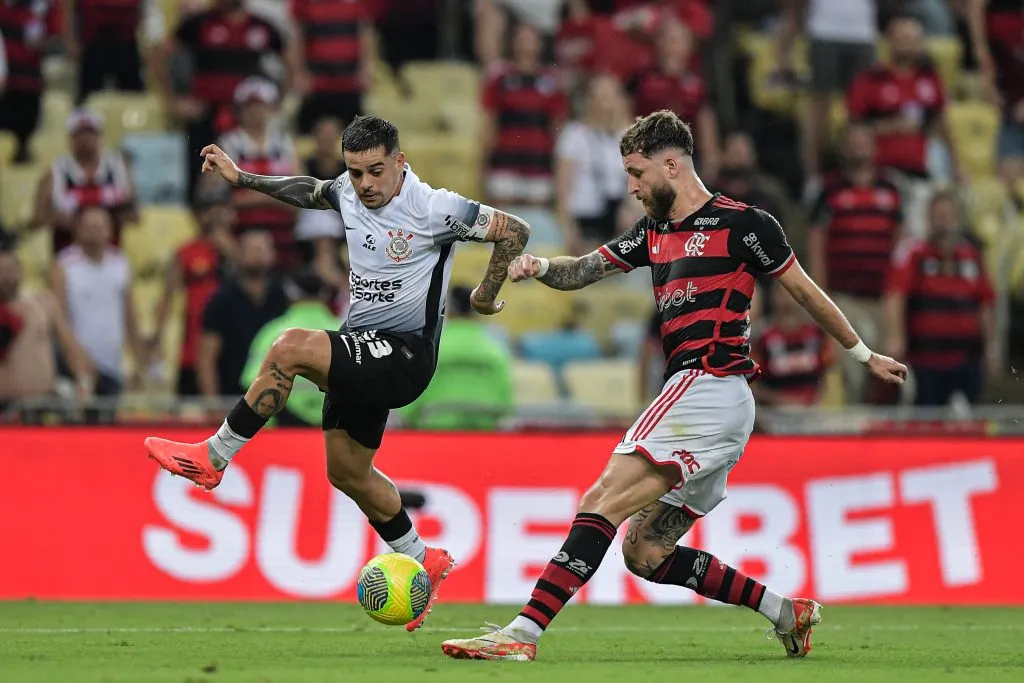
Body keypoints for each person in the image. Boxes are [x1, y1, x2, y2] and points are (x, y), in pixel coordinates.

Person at [439, 110, 907, 662]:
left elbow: (803, 291)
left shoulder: (745, 225)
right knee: (646, 552)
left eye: (637, 174)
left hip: (708, 385)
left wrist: (862, 353)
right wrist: (537, 264)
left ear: (671, 165)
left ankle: (521, 636)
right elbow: (585, 270)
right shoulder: (654, 231)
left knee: (601, 499)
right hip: (716, 405)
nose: (631, 187)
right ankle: (787, 612)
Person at [143, 115, 531, 631]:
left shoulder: (435, 207)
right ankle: (422, 558)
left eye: (375, 171)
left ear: (400, 163)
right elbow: (311, 190)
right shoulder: (348, 191)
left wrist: (483, 294)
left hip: (407, 355)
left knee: (290, 347)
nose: (365, 184)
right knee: (347, 472)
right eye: (355, 172)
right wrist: (244, 180)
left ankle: (213, 457)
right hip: (362, 345)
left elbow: (516, 231)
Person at [884, 189, 998, 406]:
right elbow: (895, 296)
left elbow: (986, 304)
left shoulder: (972, 256)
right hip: (925, 363)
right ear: (929, 220)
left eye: (949, 216)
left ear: (958, 219)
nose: (944, 223)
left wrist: (989, 348)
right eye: (939, 216)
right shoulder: (915, 254)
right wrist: (895, 338)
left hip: (966, 362)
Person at [400, 285, 514, 430]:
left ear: (448, 310)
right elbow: (505, 402)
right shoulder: (496, 350)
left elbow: (410, 400)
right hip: (484, 436)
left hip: (433, 433)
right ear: (478, 312)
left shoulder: (429, 348)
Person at [241, 268, 340, 427]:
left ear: (289, 293)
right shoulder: (343, 331)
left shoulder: (274, 333)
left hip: (287, 427)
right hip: (338, 427)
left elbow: (254, 383)